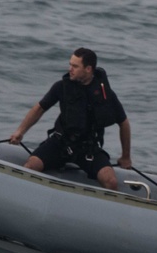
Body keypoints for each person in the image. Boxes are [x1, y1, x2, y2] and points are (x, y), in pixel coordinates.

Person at [9, 47, 131, 190]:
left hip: (88, 148)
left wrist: (126, 157)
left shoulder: (105, 94)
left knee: (110, 181)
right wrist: (20, 132)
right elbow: (39, 108)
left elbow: (124, 123)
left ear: (88, 69)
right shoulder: (62, 87)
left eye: (75, 66)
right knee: (31, 165)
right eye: (70, 64)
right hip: (61, 143)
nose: (70, 69)